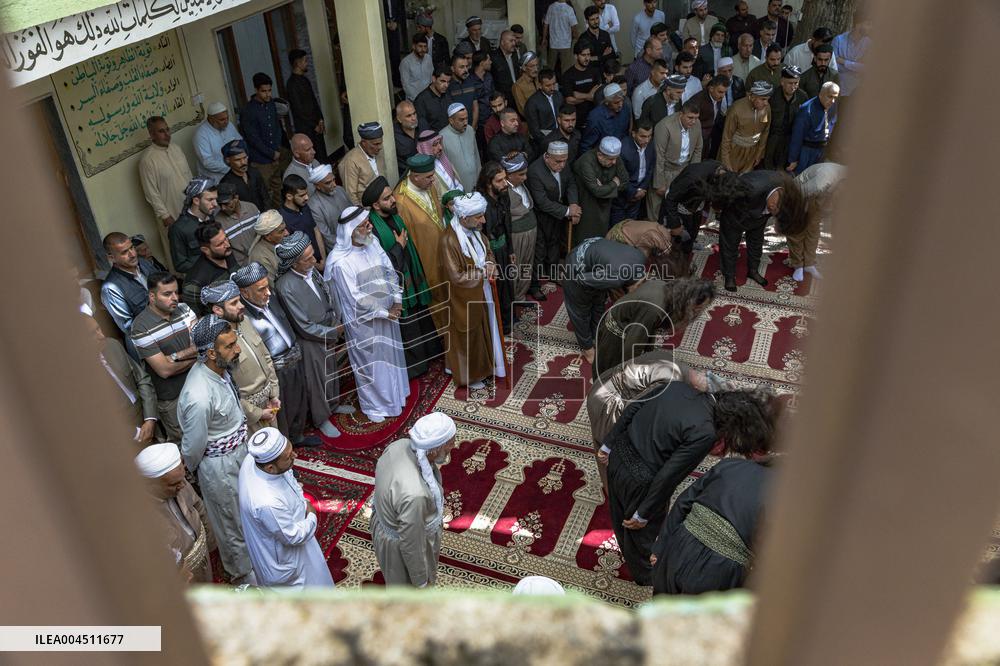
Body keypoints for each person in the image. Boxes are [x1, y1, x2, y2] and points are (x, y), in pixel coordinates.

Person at [600, 382, 779, 586]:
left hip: (618, 456)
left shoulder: (677, 386)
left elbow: (635, 406)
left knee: (619, 517)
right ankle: (647, 575)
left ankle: (636, 563)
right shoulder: (705, 432)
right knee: (641, 534)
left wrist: (608, 444)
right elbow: (670, 475)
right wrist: (644, 512)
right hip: (640, 481)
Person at [178, 314, 254, 584]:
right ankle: (243, 577)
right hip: (219, 467)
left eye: (235, 342)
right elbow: (193, 448)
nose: (238, 349)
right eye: (230, 346)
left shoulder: (220, 371)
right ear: (211, 352)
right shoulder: (198, 395)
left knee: (245, 512)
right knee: (230, 522)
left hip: (238, 455)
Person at [325, 205, 412, 421]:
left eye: (368, 223)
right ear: (352, 231)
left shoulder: (372, 244)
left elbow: (391, 271)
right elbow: (355, 298)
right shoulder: (340, 262)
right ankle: (374, 406)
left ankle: (396, 396)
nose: (370, 227)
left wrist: (398, 300)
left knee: (390, 356)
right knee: (371, 365)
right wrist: (385, 312)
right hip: (365, 323)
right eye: (365, 225)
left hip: (389, 312)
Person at [651, 453, 773, 595]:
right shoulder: (783, 495)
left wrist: (661, 547)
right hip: (720, 569)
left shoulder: (730, 464)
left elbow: (683, 501)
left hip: (681, 544)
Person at [273, 232, 354, 438]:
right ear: (293, 263)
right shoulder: (285, 286)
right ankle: (321, 418)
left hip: (328, 330)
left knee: (332, 371)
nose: (314, 260)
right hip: (310, 340)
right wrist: (333, 332)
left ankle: (334, 405)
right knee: (317, 380)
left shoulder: (311, 271)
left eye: (312, 255)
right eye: (307, 258)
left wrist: (335, 322)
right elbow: (303, 325)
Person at [232, 262, 321, 448]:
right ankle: (283, 449)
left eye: (267, 286)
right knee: (282, 412)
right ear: (245, 293)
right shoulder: (244, 316)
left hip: (294, 358)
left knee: (298, 402)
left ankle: (298, 438)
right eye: (261, 289)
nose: (268, 292)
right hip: (276, 370)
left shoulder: (270, 300)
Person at [363, 175, 441, 379]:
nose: (393, 200)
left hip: (411, 276)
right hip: (396, 284)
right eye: (387, 198)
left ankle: (431, 353)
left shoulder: (395, 217)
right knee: (409, 323)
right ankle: (417, 367)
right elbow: (380, 263)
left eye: (391, 196)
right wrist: (399, 246)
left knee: (421, 313)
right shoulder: (372, 229)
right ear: (375, 204)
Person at [238, 427, 334, 588]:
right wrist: (311, 514)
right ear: (270, 468)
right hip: (285, 557)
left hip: (293, 526)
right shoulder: (267, 502)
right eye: (289, 457)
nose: (295, 456)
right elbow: (293, 536)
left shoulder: (255, 459)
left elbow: (288, 477)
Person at [372, 412, 457, 587]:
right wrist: (420, 580)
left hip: (386, 523)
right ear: (434, 449)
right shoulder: (416, 496)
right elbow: (412, 544)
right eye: (449, 443)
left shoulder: (399, 445)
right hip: (399, 547)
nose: (453, 446)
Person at [439, 192, 507, 389]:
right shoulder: (449, 241)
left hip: (482, 291)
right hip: (463, 298)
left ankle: (487, 366)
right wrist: (482, 272)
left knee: (485, 330)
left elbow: (488, 252)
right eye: (478, 217)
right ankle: (470, 376)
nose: (483, 220)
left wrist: (490, 264)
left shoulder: (476, 231)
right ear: (463, 218)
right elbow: (457, 277)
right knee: (469, 335)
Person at [593, 277, 716, 379]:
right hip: (615, 334)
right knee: (609, 377)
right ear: (690, 301)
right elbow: (632, 345)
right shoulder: (654, 309)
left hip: (632, 324)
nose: (697, 312)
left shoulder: (666, 288)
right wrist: (630, 376)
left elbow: (648, 329)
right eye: (697, 308)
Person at [201, 280, 281, 435]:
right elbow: (226, 390)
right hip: (247, 416)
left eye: (240, 300)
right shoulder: (217, 342)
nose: (241, 305)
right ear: (218, 310)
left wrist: (274, 393)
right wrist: (257, 413)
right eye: (234, 303)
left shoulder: (244, 321)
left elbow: (265, 357)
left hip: (269, 404)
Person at [131, 272, 198, 441]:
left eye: (176, 292)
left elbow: (201, 345)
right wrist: (196, 356)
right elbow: (164, 370)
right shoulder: (140, 327)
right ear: (152, 296)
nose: (174, 298)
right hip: (173, 399)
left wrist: (175, 355)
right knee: (187, 444)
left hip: (200, 385)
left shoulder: (185, 309)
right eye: (167, 294)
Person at [135, 443, 215, 584]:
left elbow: (199, 507)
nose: (183, 485)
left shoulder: (179, 482)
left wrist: (211, 542)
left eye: (182, 479)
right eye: (173, 484)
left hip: (204, 560)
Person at [561, 238, 647, 363]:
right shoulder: (616, 278)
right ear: (637, 286)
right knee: (580, 311)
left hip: (595, 250)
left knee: (599, 302)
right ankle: (587, 349)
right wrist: (591, 286)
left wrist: (599, 283)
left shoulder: (641, 258)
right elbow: (581, 279)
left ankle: (597, 336)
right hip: (576, 268)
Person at [718, 169, 804, 292]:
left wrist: (767, 213)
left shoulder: (787, 192)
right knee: (730, 245)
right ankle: (729, 276)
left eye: (775, 211)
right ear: (778, 192)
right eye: (775, 205)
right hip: (735, 215)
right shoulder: (751, 187)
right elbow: (725, 196)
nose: (773, 207)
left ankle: (753, 271)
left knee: (756, 243)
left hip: (759, 215)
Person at [394, 154, 449, 335]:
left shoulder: (430, 186)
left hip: (443, 252)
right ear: (414, 176)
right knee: (435, 295)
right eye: (428, 176)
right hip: (425, 258)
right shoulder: (402, 201)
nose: (433, 179)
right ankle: (442, 336)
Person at [84, 313, 157, 445]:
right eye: (92, 334)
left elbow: (142, 379)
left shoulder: (112, 345)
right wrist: (135, 434)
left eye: (98, 329)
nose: (101, 336)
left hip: (146, 419)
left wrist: (150, 418)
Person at [526, 141, 581, 299]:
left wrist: (573, 203)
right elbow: (542, 202)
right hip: (541, 216)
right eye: (558, 162)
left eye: (565, 160)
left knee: (555, 243)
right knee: (540, 250)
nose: (563, 165)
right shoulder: (535, 171)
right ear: (547, 157)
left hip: (558, 214)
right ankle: (534, 285)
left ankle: (552, 272)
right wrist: (568, 211)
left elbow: (570, 182)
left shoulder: (563, 162)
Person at [139, 116, 193, 265]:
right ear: (152, 135)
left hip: (191, 207)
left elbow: (189, 175)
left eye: (167, 129)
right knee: (178, 250)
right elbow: (151, 193)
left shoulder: (176, 149)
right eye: (161, 131)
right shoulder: (147, 160)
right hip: (172, 213)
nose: (167, 134)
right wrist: (165, 216)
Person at [786, 161, 845, 281]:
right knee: (797, 230)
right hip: (799, 193)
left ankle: (809, 264)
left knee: (813, 230)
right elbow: (800, 195)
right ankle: (797, 265)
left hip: (820, 196)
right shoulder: (822, 182)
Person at [100, 232, 155, 358]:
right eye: (124, 252)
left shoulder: (144, 264)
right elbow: (130, 328)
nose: (133, 254)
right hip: (145, 344)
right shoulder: (111, 288)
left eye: (132, 248)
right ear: (111, 257)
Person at [241, 72, 290, 208]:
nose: (268, 94)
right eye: (264, 91)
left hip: (275, 156)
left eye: (269, 90)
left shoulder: (271, 105)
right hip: (260, 160)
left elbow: (276, 127)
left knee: (278, 189)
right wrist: (270, 153)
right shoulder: (248, 110)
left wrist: (277, 149)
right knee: (265, 193)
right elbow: (253, 138)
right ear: (256, 90)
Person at [650, 100, 703, 222]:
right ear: (681, 114)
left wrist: (693, 175)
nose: (693, 121)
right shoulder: (665, 126)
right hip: (665, 170)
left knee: (676, 207)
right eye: (690, 117)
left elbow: (698, 149)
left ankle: (673, 233)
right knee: (656, 207)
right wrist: (659, 183)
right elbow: (659, 156)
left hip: (684, 170)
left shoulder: (696, 124)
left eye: (696, 118)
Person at [478, 162, 515, 334]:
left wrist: (511, 250)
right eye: (499, 181)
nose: (504, 183)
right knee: (496, 289)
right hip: (490, 252)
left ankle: (509, 320)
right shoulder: (480, 203)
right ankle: (499, 325)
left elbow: (507, 224)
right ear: (488, 183)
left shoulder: (503, 196)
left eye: (505, 179)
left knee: (507, 285)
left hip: (504, 247)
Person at [572, 135, 628, 247]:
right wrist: (614, 183)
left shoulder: (614, 158)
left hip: (605, 208)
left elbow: (625, 182)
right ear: (599, 155)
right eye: (611, 159)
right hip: (587, 207)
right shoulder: (586, 162)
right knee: (584, 242)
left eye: (616, 158)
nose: (614, 162)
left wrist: (604, 188)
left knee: (600, 242)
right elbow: (596, 191)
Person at [181, 222, 238, 314]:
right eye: (220, 244)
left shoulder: (226, 253)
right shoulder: (195, 283)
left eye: (226, 238)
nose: (227, 244)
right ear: (205, 250)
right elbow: (198, 317)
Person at [719, 80, 772, 174]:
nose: (766, 103)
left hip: (752, 153)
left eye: (767, 99)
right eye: (763, 99)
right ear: (752, 97)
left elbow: (765, 131)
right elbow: (726, 137)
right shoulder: (736, 109)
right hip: (734, 151)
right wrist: (726, 162)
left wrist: (759, 153)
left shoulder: (766, 109)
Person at [503, 153, 536, 301]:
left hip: (531, 230)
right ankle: (513, 296)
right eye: (521, 174)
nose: (525, 178)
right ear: (509, 175)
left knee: (527, 263)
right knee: (516, 265)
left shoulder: (521, 185)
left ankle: (521, 295)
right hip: (517, 234)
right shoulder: (503, 191)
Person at [168, 179, 218, 275]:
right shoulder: (178, 229)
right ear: (196, 200)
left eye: (215, 199)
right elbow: (180, 264)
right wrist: (210, 264)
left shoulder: (211, 218)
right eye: (210, 200)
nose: (215, 204)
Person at [788, 81, 839, 174]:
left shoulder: (833, 106)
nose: (833, 101)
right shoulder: (807, 109)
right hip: (807, 151)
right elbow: (797, 136)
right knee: (801, 178)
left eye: (835, 97)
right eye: (830, 96)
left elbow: (832, 126)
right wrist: (793, 159)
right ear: (821, 94)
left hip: (822, 149)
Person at [285, 50, 326, 162]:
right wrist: (313, 125)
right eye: (305, 61)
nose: (307, 63)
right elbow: (299, 110)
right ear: (298, 63)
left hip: (316, 126)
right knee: (313, 158)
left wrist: (320, 119)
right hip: (306, 128)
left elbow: (314, 101)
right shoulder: (292, 84)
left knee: (321, 155)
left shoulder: (305, 80)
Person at [611, 120, 655, 224]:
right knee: (617, 229)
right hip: (621, 197)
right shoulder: (623, 149)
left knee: (631, 227)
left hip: (639, 194)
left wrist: (642, 189)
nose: (647, 140)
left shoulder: (651, 146)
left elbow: (650, 169)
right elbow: (620, 175)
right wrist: (633, 192)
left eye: (649, 136)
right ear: (634, 133)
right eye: (643, 136)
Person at [763, 65, 807, 170]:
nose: (793, 87)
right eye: (790, 83)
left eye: (796, 83)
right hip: (772, 138)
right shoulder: (772, 96)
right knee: (768, 165)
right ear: (782, 82)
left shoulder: (802, 97)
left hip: (792, 139)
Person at [194, 103, 243, 185]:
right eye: (222, 119)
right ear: (211, 119)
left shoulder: (229, 125)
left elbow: (240, 143)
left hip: (236, 173)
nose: (226, 122)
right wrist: (231, 167)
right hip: (216, 179)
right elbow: (207, 162)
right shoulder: (201, 134)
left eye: (227, 118)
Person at [339, 122, 387, 205]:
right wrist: (362, 215)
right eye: (376, 144)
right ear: (364, 143)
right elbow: (351, 195)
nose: (380, 147)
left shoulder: (377, 152)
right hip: (366, 210)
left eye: (380, 143)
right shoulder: (350, 161)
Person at [306, 164, 350, 254]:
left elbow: (353, 212)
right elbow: (327, 237)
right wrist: (349, 245)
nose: (334, 185)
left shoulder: (340, 190)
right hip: (340, 250)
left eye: (334, 180)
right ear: (317, 186)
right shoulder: (313, 206)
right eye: (328, 182)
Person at [278, 174, 323, 260]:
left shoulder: (305, 207)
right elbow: (293, 254)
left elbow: (316, 231)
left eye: (306, 193)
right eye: (302, 195)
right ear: (289, 196)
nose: (307, 198)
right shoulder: (282, 218)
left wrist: (323, 259)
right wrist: (315, 264)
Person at [219, 139, 270, 212]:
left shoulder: (254, 172)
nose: (243, 162)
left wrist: (266, 215)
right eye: (238, 160)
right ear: (228, 160)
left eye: (245, 158)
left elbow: (265, 197)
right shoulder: (226, 183)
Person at [688, 75, 731, 160]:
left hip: (709, 135)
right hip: (696, 137)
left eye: (725, 92)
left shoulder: (717, 96)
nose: (723, 96)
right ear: (711, 89)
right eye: (720, 92)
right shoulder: (697, 101)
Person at [215, 183, 260, 265]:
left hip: (262, 257)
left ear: (236, 197)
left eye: (226, 203)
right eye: (220, 204)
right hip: (242, 266)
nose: (222, 208)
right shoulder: (218, 222)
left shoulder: (252, 208)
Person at [440, 104, 481, 192]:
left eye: (466, 118)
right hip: (458, 186)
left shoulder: (470, 130)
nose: (465, 122)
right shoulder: (442, 137)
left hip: (476, 182)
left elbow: (476, 156)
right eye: (461, 120)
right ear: (451, 120)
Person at [560, 43, 601, 129]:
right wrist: (588, 96)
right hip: (577, 121)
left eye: (588, 55)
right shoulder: (568, 75)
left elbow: (598, 95)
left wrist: (578, 95)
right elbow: (569, 100)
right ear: (576, 56)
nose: (587, 58)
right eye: (583, 55)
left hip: (593, 118)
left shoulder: (594, 71)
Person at [580, 83, 630, 153]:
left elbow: (625, 133)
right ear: (607, 102)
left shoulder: (625, 109)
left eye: (622, 100)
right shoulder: (595, 117)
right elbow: (586, 145)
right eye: (616, 103)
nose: (620, 105)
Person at [831, 13, 870, 99]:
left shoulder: (869, 44)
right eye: (867, 24)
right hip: (838, 89)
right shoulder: (838, 40)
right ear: (858, 25)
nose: (870, 28)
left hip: (858, 93)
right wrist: (856, 67)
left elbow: (867, 68)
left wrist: (843, 61)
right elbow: (833, 66)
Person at [247, 209, 288, 289]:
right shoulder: (260, 258)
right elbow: (276, 287)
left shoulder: (280, 242)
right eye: (281, 231)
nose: (287, 233)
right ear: (268, 237)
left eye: (285, 228)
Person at [415, 129, 462, 195]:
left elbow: (455, 180)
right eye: (435, 144)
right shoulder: (422, 170)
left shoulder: (442, 158)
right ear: (426, 147)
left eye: (439, 143)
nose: (440, 147)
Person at [524, 69, 563, 147]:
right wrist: (547, 142)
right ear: (540, 85)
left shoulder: (558, 95)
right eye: (548, 85)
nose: (552, 88)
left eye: (554, 84)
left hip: (560, 137)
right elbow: (534, 130)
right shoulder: (532, 103)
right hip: (543, 142)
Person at [542, 0, 578, 74]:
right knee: (566, 70)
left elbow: (546, 24)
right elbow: (574, 27)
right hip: (566, 44)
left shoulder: (551, 7)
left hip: (553, 44)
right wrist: (576, 37)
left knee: (550, 69)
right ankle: (565, 85)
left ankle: (548, 84)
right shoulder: (569, 9)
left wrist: (544, 38)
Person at [414, 67, 453, 132]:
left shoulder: (447, 95)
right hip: (433, 140)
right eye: (442, 81)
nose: (446, 85)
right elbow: (423, 129)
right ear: (433, 79)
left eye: (448, 82)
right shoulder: (421, 100)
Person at [447, 53, 479, 129]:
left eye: (466, 66)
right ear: (453, 69)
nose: (465, 70)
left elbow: (475, 106)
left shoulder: (471, 81)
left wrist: (473, 128)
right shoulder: (448, 85)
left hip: (471, 127)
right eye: (461, 67)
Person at [401, 34, 435, 103]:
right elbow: (406, 85)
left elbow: (431, 79)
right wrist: (418, 100)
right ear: (413, 46)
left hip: (428, 99)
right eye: (420, 46)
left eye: (425, 46)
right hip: (413, 101)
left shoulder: (428, 58)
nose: (423, 49)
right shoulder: (406, 62)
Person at [491, 30, 521, 101]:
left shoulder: (515, 55)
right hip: (503, 98)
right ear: (502, 42)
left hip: (517, 95)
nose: (514, 43)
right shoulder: (494, 58)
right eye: (511, 41)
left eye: (514, 40)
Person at [394, 101, 421, 175]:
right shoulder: (394, 137)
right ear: (399, 119)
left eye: (414, 113)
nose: (414, 118)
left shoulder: (423, 125)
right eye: (408, 116)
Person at [512, 52, 540, 116]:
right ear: (524, 68)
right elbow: (524, 111)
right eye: (532, 66)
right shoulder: (518, 86)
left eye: (537, 65)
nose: (536, 69)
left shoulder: (539, 79)